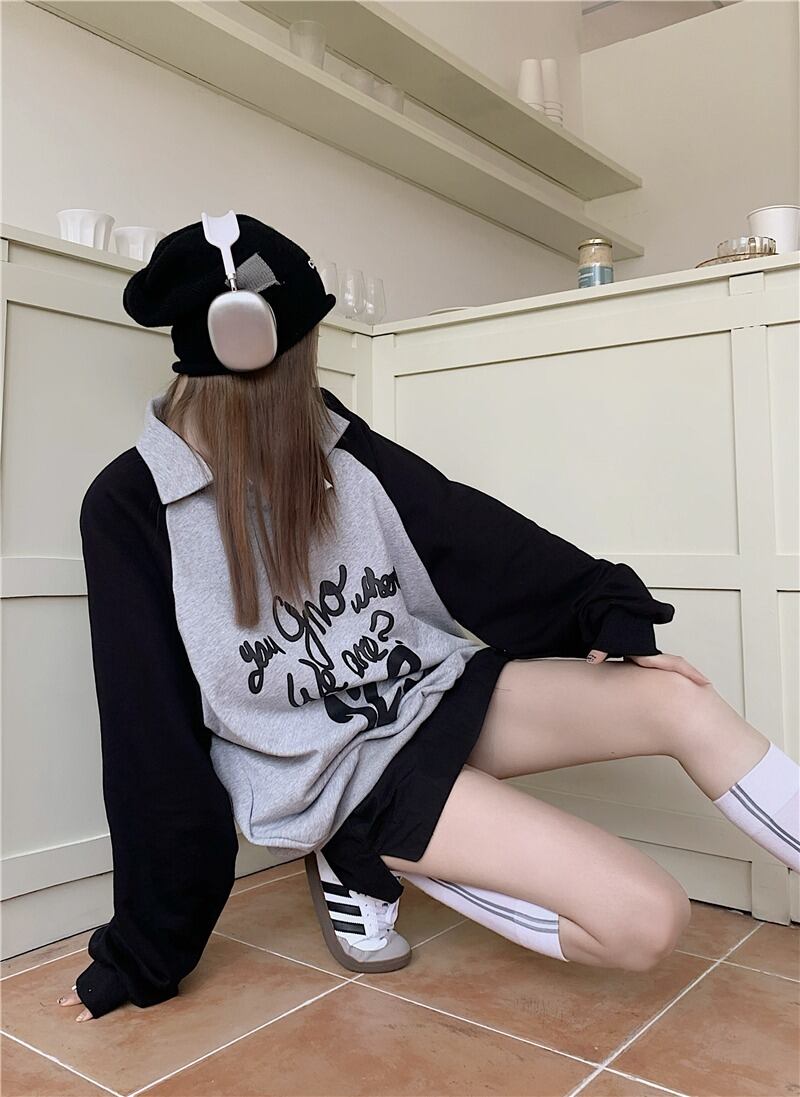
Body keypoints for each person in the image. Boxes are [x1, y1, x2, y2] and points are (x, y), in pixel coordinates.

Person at [58, 214, 799, 1022]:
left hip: (428, 692)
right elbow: (149, 743)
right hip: (340, 776)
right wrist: (145, 949)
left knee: (678, 700)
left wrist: (603, 610)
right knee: (647, 919)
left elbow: (469, 538)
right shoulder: (132, 507)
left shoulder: (336, 443)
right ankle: (354, 850)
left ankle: (383, 846)